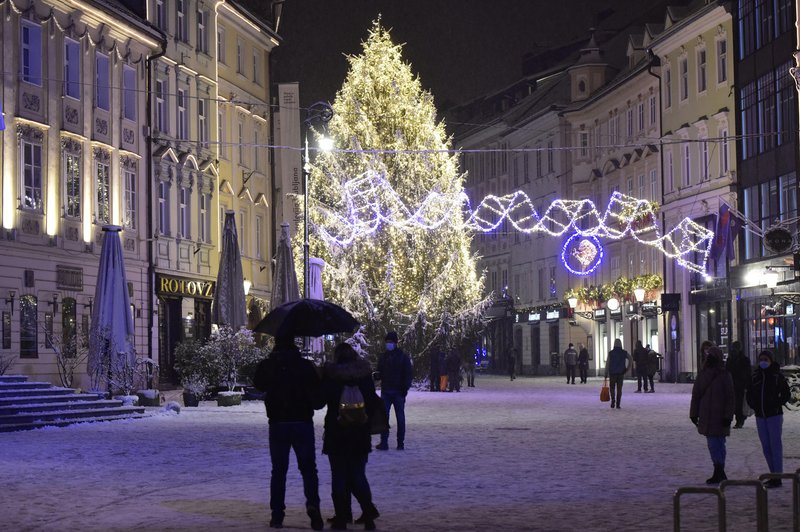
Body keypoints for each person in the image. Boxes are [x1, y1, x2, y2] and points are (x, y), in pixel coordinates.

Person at [253, 335, 325, 530]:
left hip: (278, 423)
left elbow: (258, 383)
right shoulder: (304, 366)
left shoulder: (270, 365)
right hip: (302, 422)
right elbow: (318, 399)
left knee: (279, 471)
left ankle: (277, 515)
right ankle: (314, 508)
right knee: (309, 469)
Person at [321, 343, 381, 530]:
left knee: (339, 475)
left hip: (337, 432)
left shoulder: (332, 376)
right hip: (360, 433)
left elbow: (321, 400)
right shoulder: (364, 376)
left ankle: (342, 516)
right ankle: (368, 513)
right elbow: (372, 402)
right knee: (357, 474)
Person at [689, 346, 735, 485]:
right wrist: (693, 413)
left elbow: (730, 397)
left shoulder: (723, 375)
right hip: (709, 414)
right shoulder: (706, 375)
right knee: (715, 443)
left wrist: (728, 416)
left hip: (718, 415)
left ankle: (719, 470)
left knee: (717, 443)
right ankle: (719, 469)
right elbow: (696, 395)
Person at [746, 350, 791, 488]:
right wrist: (754, 405)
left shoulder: (777, 376)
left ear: (771, 360)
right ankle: (773, 475)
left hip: (774, 415)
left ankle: (777, 476)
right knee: (766, 447)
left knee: (775, 446)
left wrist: (776, 403)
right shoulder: (756, 376)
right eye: (761, 359)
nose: (763, 362)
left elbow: (786, 394)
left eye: (765, 359)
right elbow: (750, 394)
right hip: (761, 416)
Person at [375, 331, 413, 451]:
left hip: (396, 391)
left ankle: (399, 442)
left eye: (390, 342)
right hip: (387, 391)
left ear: (396, 343)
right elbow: (379, 372)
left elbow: (408, 374)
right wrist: (377, 376)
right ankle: (385, 442)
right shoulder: (385, 357)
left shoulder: (401, 357)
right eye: (387, 342)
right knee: (386, 417)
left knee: (399, 418)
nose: (388, 344)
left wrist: (404, 389)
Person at [726, 341, 752, 428]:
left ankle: (739, 420)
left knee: (738, 404)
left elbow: (748, 373)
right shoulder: (731, 359)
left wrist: (746, 385)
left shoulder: (743, 360)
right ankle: (737, 420)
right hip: (733, 384)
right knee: (733, 404)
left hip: (739, 385)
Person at [604, 338, 632, 409]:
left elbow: (607, 363)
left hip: (612, 373)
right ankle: (618, 404)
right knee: (619, 389)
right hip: (621, 373)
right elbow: (631, 359)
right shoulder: (624, 353)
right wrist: (627, 369)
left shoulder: (611, 353)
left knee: (612, 387)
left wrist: (606, 373)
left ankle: (613, 399)